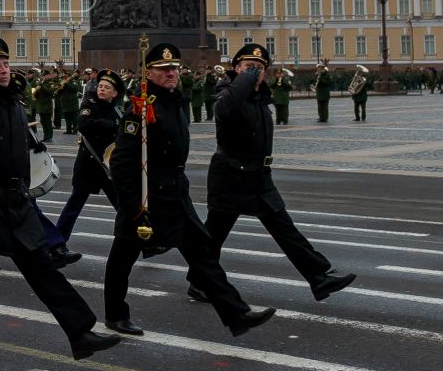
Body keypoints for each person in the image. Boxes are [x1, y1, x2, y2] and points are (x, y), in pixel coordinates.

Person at [0, 36, 119, 365]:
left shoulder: (12, 102)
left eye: (5, 64)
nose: (3, 70)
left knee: (42, 266)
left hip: (14, 200)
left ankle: (80, 332)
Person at [100, 43, 275, 338]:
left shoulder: (175, 101)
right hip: (147, 195)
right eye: (164, 69)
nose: (171, 73)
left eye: (174, 68)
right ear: (149, 73)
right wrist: (132, 207)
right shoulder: (140, 110)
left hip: (175, 192)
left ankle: (236, 314)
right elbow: (121, 162)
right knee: (123, 254)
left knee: (201, 252)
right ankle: (115, 314)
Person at [203, 43, 356, 302]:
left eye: (259, 68)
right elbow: (224, 110)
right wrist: (246, 79)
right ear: (236, 69)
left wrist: (254, 83)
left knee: (284, 228)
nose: (254, 72)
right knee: (215, 235)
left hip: (258, 176)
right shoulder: (226, 92)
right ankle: (200, 281)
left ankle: (318, 278)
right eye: (248, 67)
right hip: (230, 177)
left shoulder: (259, 97)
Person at [53, 71, 122, 246]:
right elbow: (83, 125)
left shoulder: (117, 110)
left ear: (115, 93)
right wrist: (110, 126)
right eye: (100, 86)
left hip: (107, 166)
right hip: (88, 165)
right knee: (74, 205)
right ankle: (57, 243)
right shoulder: (90, 104)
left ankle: (142, 240)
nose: (102, 90)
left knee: (122, 205)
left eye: (107, 88)